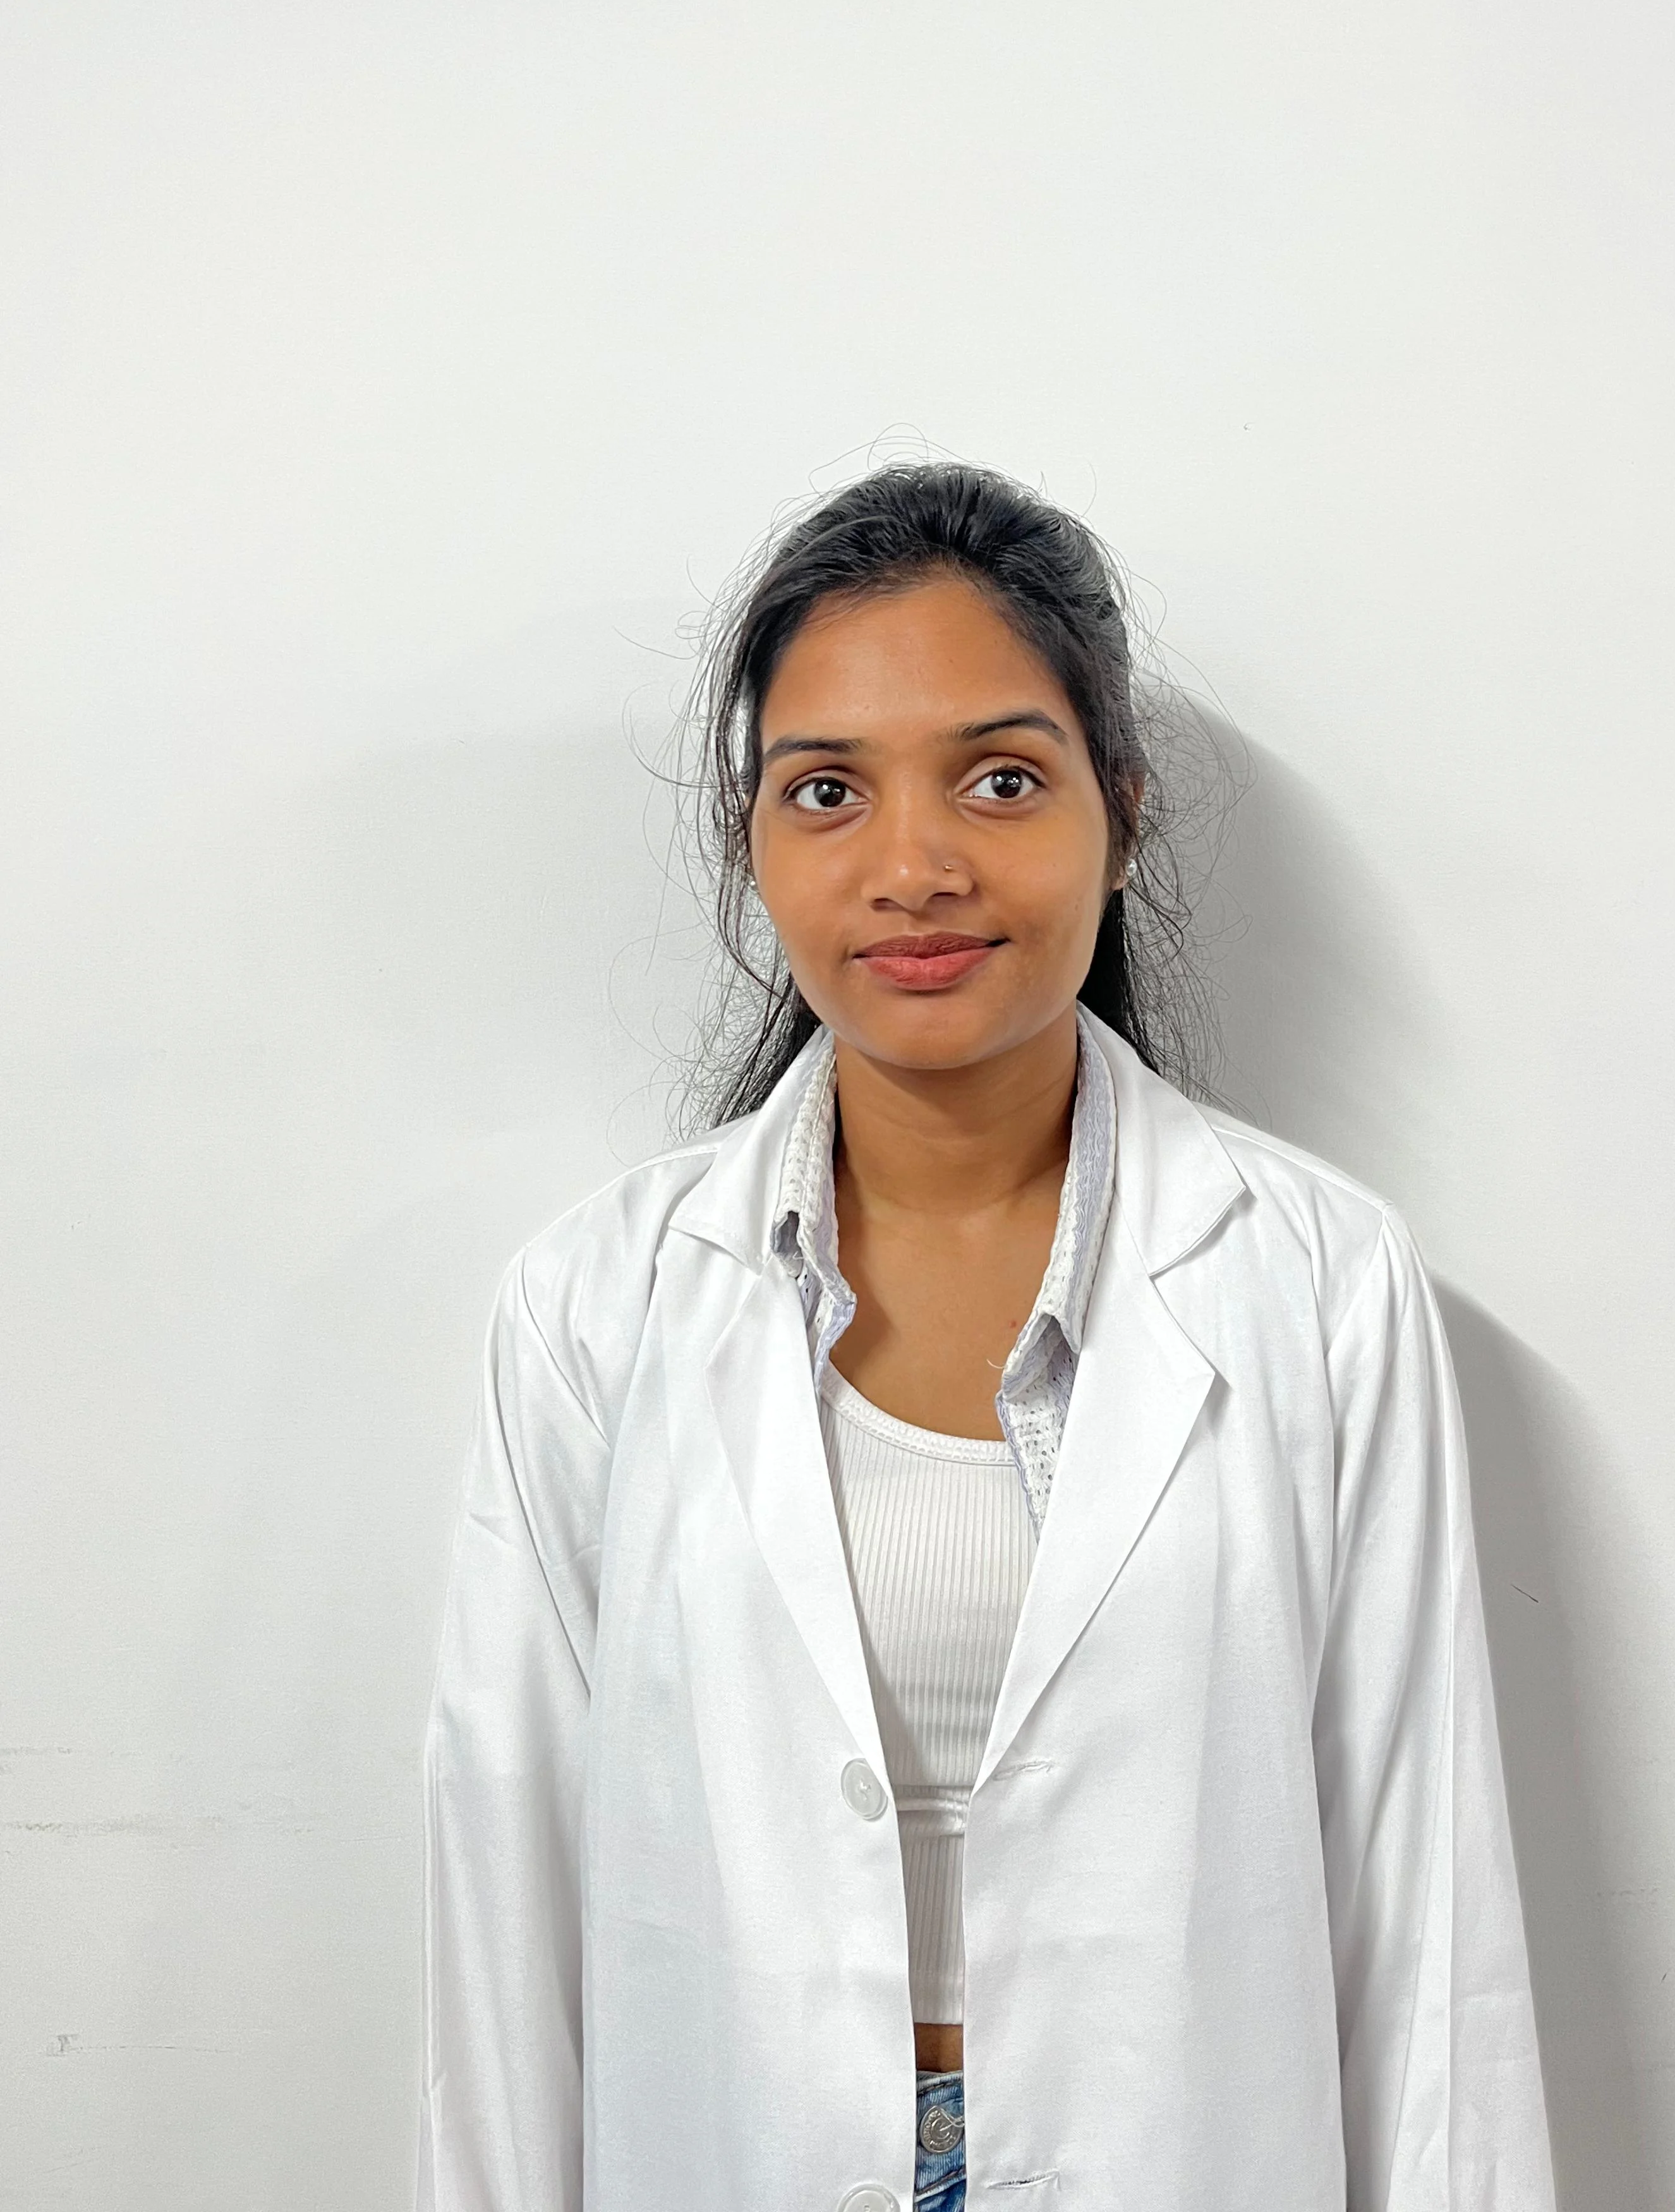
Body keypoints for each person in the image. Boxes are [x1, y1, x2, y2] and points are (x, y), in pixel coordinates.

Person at [414, 461, 1556, 2212]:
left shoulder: (1321, 1287)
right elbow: (505, 1912)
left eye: (1002, 779)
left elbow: (1428, 1922)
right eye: (827, 791)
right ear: (754, 839)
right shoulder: (596, 1310)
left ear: (1125, 805)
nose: (915, 866)